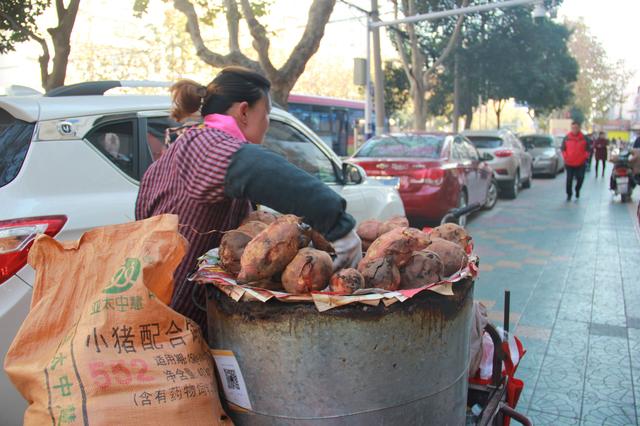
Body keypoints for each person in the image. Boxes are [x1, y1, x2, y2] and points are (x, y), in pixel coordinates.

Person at [136, 66, 362, 332]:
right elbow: (263, 170)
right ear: (244, 111)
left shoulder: (181, 150)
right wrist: (340, 226)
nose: (267, 124)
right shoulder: (205, 144)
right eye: (265, 114)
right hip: (174, 324)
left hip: (172, 318)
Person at [561, 121, 590, 201]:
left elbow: (588, 149)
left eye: (576, 128)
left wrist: (585, 157)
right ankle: (569, 194)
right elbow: (563, 149)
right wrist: (566, 157)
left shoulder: (584, 138)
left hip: (580, 163)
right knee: (569, 179)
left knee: (580, 178)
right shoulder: (567, 137)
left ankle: (577, 189)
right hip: (569, 163)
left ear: (579, 128)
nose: (574, 129)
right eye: (573, 128)